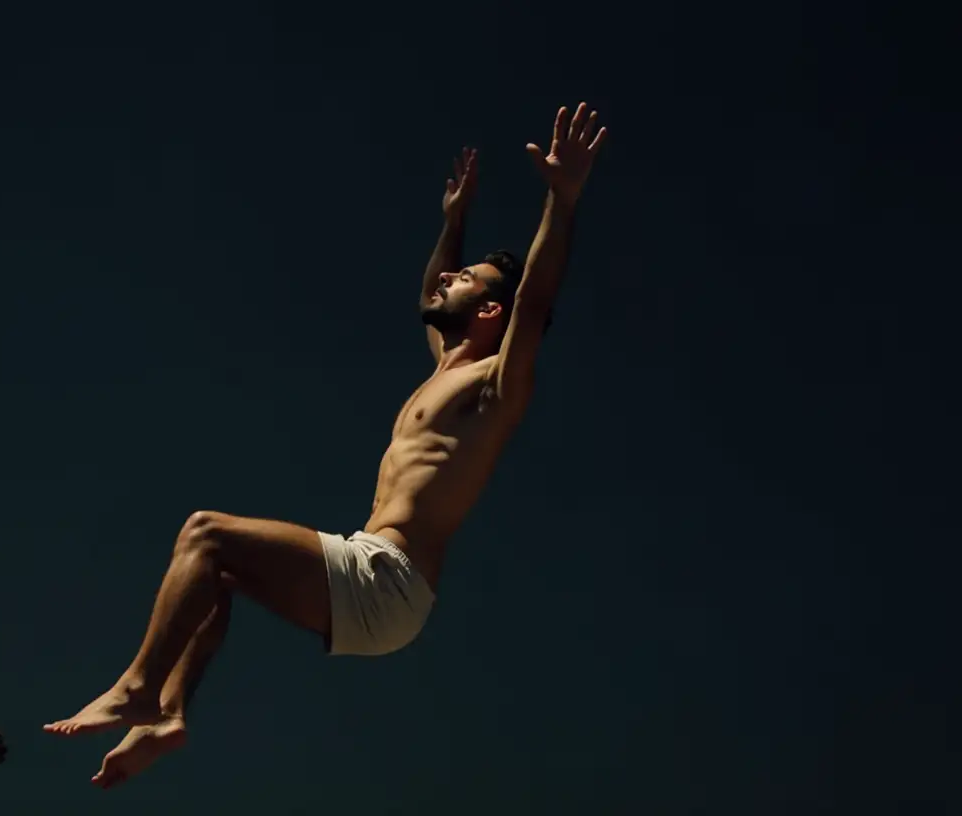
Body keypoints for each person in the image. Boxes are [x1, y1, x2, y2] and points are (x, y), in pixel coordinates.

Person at [44, 102, 609, 788]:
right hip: (380, 593)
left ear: (493, 310)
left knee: (205, 534)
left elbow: (532, 298)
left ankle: (138, 685)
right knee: (209, 580)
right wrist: (453, 219)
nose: (447, 280)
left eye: (466, 283)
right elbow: (429, 298)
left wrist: (563, 197)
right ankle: (167, 714)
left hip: (389, 579)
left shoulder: (497, 383)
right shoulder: (448, 369)